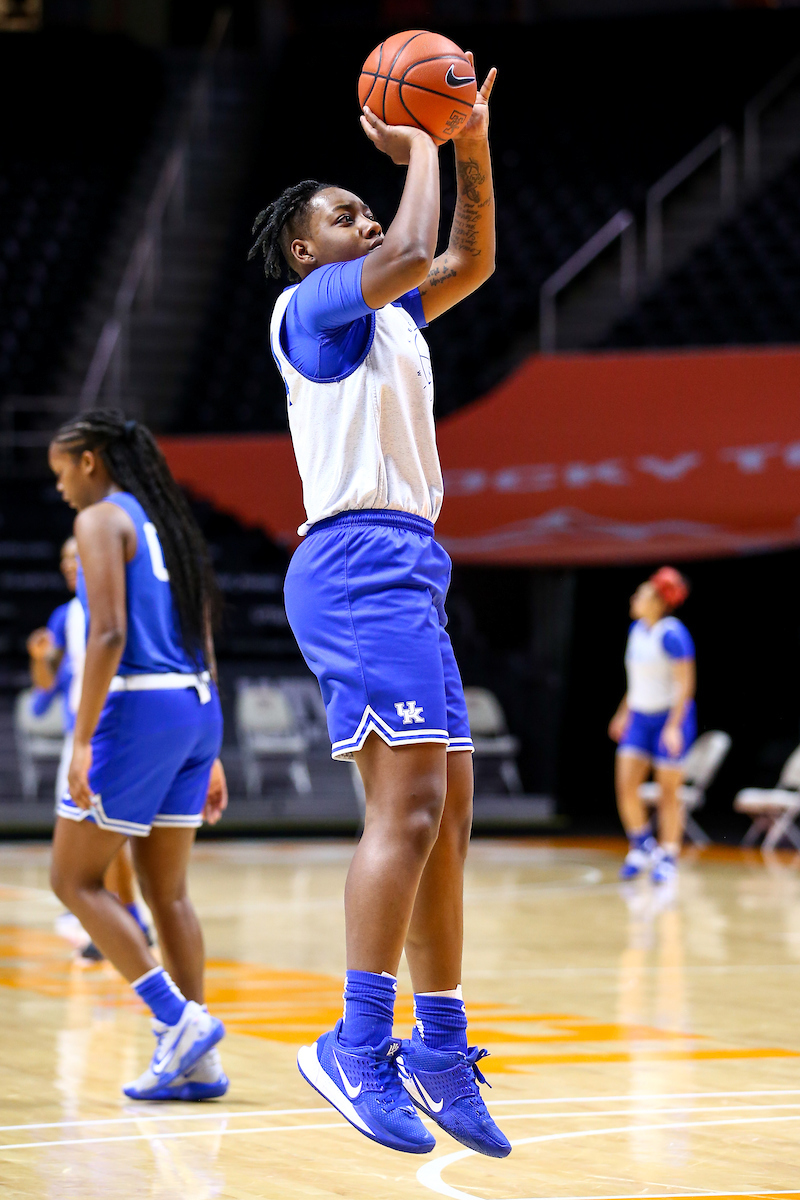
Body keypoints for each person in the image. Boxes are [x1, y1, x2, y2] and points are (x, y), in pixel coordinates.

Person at [250, 56, 509, 1157]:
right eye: (339, 212)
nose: (364, 217)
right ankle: (356, 1045)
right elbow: (410, 246)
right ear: (308, 248)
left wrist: (470, 139)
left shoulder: (394, 321)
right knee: (402, 815)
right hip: (355, 562)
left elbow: (464, 257)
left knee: (448, 822)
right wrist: (415, 148)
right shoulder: (310, 303)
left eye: (365, 203)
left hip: (410, 562)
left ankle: (438, 1048)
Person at [47, 409, 229, 1101]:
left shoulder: (100, 521)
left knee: (73, 881)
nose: (61, 488)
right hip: (195, 703)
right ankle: (199, 1059)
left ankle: (175, 1019)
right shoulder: (168, 524)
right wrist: (211, 748)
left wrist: (85, 736)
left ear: (90, 461)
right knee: (169, 892)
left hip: (139, 706)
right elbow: (203, 628)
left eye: (62, 472)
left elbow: (108, 634)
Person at [28, 537, 151, 962]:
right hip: (79, 736)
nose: (69, 565)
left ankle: (124, 919)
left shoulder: (119, 606)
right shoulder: (65, 617)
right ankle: (122, 918)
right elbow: (45, 686)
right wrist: (38, 658)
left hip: (112, 730)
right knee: (94, 830)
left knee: (108, 830)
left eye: (76, 557)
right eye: (64, 559)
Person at [609, 567, 696, 886]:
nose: (635, 598)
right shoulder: (636, 631)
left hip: (669, 719)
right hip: (640, 717)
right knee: (626, 785)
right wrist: (623, 713)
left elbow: (685, 685)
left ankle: (669, 855)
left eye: (642, 594)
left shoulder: (672, 633)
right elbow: (636, 682)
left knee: (667, 793)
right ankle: (642, 845)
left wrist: (674, 727)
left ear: (659, 601)